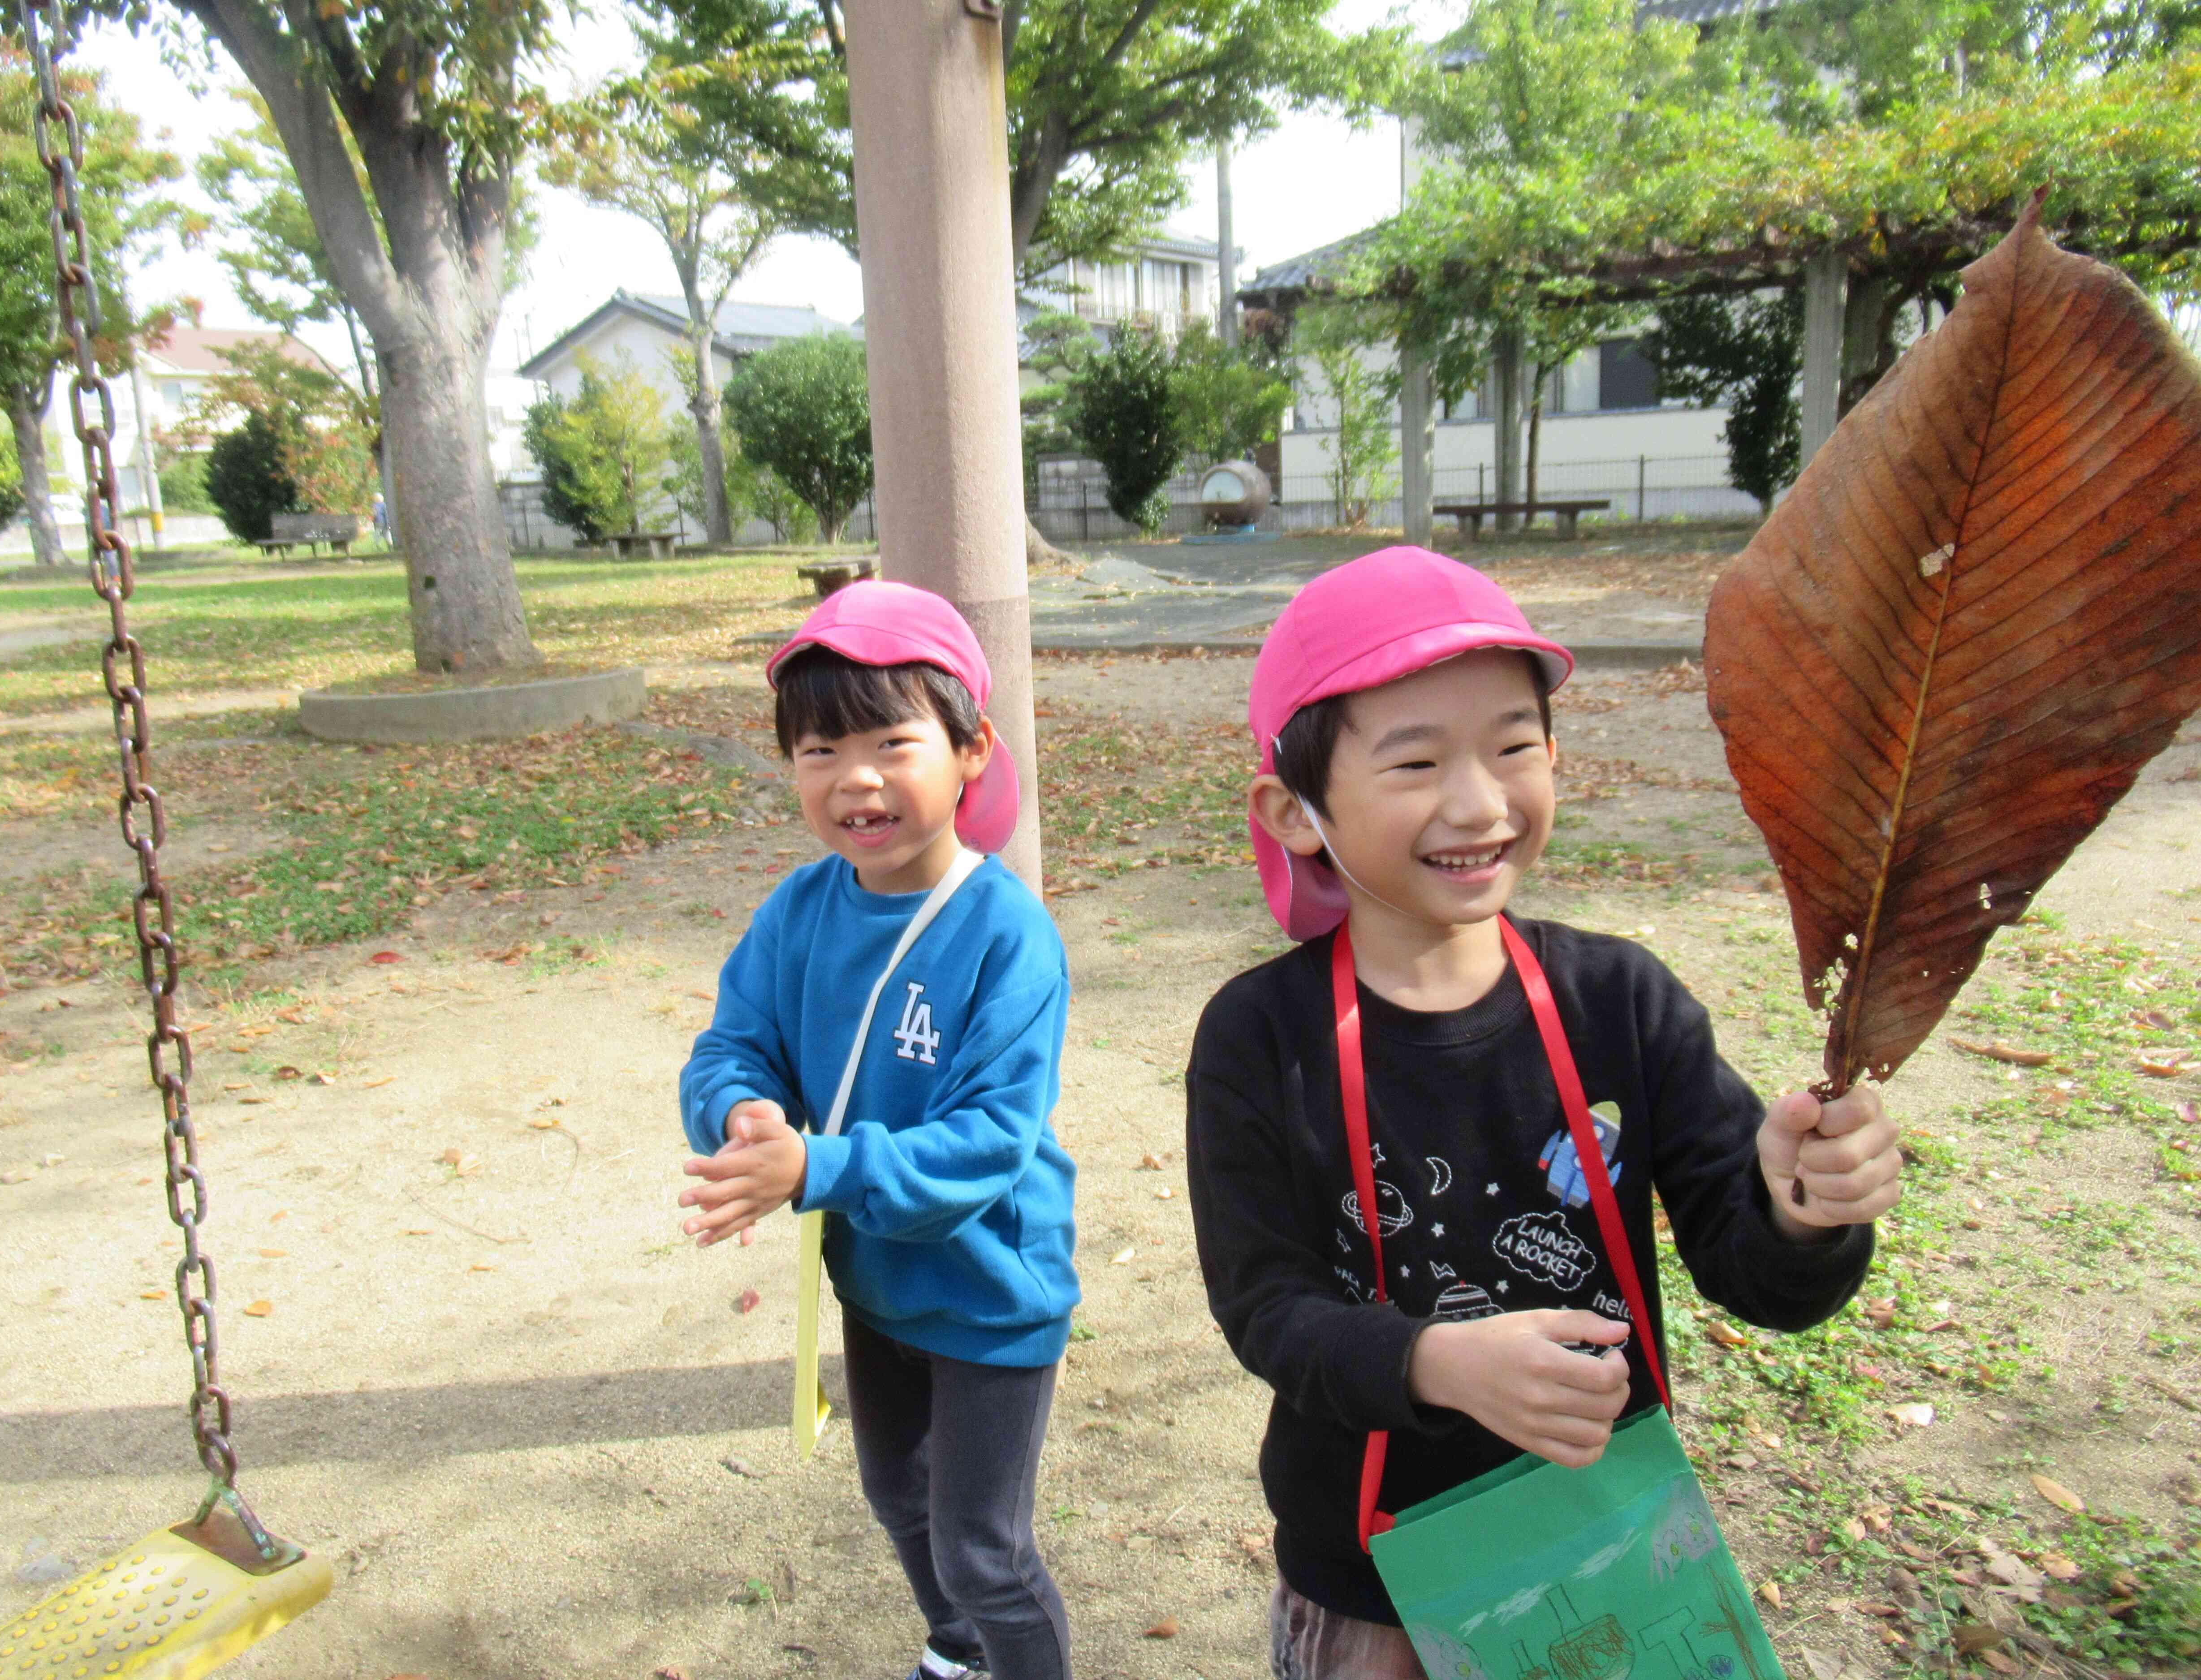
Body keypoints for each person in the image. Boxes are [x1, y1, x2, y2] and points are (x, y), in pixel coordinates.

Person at [1184, 547, 1904, 1680]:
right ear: (1296, 809)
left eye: (1514, 745)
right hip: (1367, 1574)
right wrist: (1438, 1363)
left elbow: (1755, 1274)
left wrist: (1807, 1208)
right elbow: (1265, 1306)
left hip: (1601, 1544)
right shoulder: (1259, 1039)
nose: (1479, 802)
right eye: (1415, 761)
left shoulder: (1620, 1002)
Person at [678, 580, 1078, 1680]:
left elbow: (993, 1140)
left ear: (970, 749)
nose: (855, 778)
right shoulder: (800, 912)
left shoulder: (1006, 934)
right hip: (876, 1277)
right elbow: (730, 1046)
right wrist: (743, 1111)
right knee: (895, 1492)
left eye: (892, 741)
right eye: (817, 751)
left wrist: (816, 1163)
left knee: (985, 1549)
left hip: (990, 1289)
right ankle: (956, 1655)